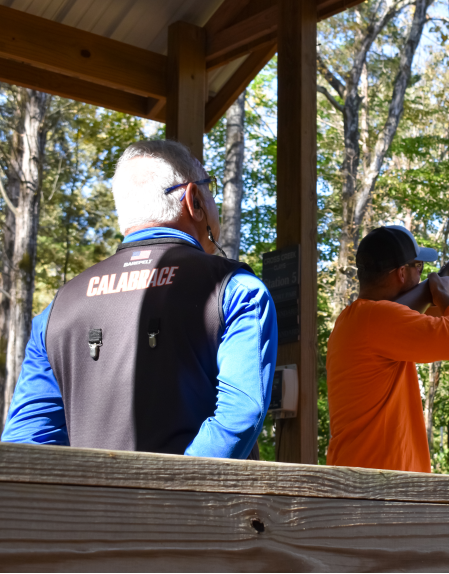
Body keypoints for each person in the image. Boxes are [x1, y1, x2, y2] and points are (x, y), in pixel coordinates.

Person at [1, 140, 278, 459]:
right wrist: (165, 495)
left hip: (88, 509)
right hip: (200, 508)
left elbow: (25, 442)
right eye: (209, 187)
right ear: (194, 200)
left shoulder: (56, 311)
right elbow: (240, 416)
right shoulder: (237, 290)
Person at [326, 225, 449, 472]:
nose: (422, 275)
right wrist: (442, 294)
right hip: (375, 488)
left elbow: (427, 319)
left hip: (369, 479)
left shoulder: (358, 318)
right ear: (401, 272)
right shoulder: (377, 318)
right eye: (418, 267)